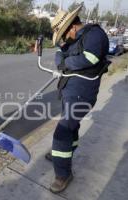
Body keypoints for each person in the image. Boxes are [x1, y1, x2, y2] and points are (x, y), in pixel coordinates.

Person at [47, 5, 109, 193]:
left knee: (62, 132)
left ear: (72, 27)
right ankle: (64, 155)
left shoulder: (95, 36)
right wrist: (63, 60)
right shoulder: (74, 40)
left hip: (83, 93)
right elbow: (60, 54)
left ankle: (63, 174)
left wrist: (65, 63)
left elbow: (88, 59)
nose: (63, 40)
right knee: (71, 127)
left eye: (64, 34)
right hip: (70, 90)